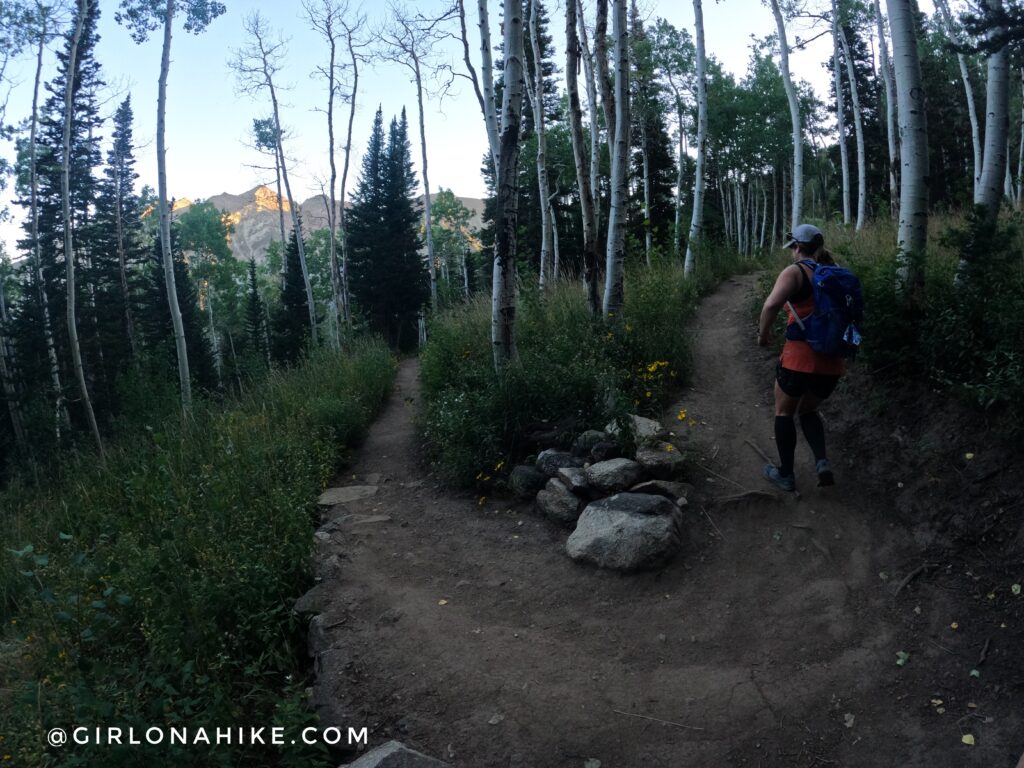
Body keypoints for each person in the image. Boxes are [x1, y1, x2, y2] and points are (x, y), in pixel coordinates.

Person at [756, 223, 844, 491]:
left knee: (784, 411)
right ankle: (822, 462)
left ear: (797, 246)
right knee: (809, 409)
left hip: (798, 359)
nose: (792, 252)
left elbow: (771, 304)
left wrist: (763, 335)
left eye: (793, 247)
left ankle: (785, 474)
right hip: (832, 361)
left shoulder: (795, 272)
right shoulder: (836, 272)